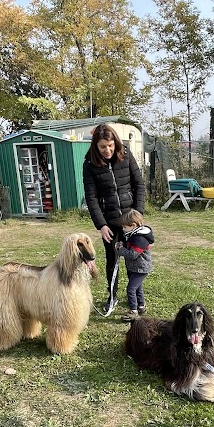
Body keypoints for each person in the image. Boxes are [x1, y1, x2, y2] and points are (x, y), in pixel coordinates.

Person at [83, 123, 145, 313]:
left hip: (131, 220)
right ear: (96, 146)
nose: (107, 150)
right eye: (102, 147)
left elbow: (139, 185)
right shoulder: (89, 164)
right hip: (109, 223)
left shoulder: (125, 155)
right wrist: (101, 225)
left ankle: (137, 299)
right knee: (113, 260)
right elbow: (91, 198)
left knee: (135, 260)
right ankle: (113, 296)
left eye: (110, 145)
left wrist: (138, 214)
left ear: (115, 142)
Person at [114, 209, 154, 321]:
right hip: (135, 268)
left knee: (131, 289)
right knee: (138, 287)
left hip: (140, 269)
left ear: (133, 225)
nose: (123, 229)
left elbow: (133, 254)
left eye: (124, 227)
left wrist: (120, 250)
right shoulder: (133, 234)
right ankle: (141, 306)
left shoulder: (140, 238)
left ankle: (133, 311)